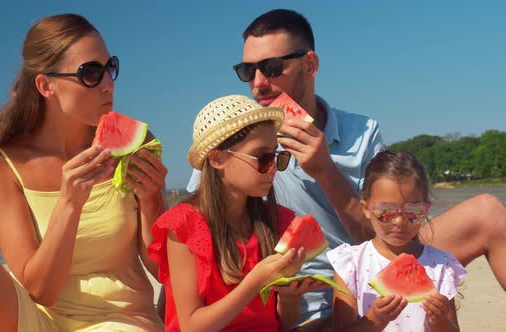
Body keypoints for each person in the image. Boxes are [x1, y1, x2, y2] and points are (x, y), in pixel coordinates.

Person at [187, 8, 506, 329]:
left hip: (369, 266)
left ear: (310, 65)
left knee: (489, 212)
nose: (258, 83)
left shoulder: (362, 133)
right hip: (297, 300)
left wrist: (325, 170)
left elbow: (381, 234)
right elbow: (189, 239)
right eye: (247, 70)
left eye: (270, 68)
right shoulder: (232, 140)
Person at [0, 13, 167, 331]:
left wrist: (153, 199)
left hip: (120, 320)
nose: (109, 85)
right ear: (47, 86)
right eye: (91, 73)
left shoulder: (133, 145)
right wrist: (69, 204)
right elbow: (40, 290)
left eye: (109, 67)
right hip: (40, 319)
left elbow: (163, 272)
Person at [149, 95, 328, 331]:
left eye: (277, 157)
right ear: (218, 159)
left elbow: (283, 322)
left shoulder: (277, 220)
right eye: (263, 158)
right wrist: (255, 281)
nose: (273, 168)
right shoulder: (183, 226)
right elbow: (192, 326)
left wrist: (289, 296)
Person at [328, 150, 466, 331]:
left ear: (425, 210)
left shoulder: (440, 265)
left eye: (413, 212)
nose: (399, 222)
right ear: (366, 208)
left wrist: (439, 322)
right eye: (385, 211)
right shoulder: (350, 263)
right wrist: (375, 320)